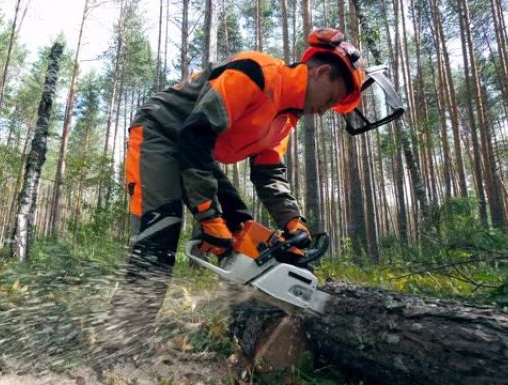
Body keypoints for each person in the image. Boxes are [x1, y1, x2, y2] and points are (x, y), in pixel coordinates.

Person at [100, 28, 397, 361]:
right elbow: (197, 133)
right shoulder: (257, 74)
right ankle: (118, 346)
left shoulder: (286, 118)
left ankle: (246, 312)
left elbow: (269, 174)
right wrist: (208, 215)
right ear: (322, 72)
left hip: (195, 150)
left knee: (243, 227)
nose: (324, 109)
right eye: (330, 99)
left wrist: (293, 222)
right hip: (160, 133)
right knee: (159, 234)